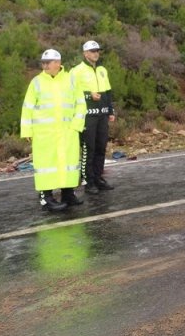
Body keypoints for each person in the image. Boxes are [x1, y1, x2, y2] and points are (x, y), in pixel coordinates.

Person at [20, 49, 87, 211]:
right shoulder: (36, 82)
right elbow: (27, 107)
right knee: (46, 166)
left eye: (47, 63)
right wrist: (27, 130)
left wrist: (76, 125)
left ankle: (68, 193)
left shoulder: (71, 79)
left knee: (68, 164)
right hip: (45, 134)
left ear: (57, 63)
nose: (44, 66)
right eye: (43, 63)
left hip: (67, 132)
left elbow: (80, 103)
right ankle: (46, 197)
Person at [70, 40, 116, 193]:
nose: (96, 53)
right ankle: (88, 182)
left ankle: (98, 178)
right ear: (85, 53)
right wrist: (89, 96)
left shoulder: (102, 69)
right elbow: (69, 93)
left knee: (101, 148)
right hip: (87, 116)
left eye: (97, 50)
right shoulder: (76, 71)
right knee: (88, 149)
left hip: (102, 115)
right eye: (92, 51)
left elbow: (108, 91)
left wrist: (111, 111)